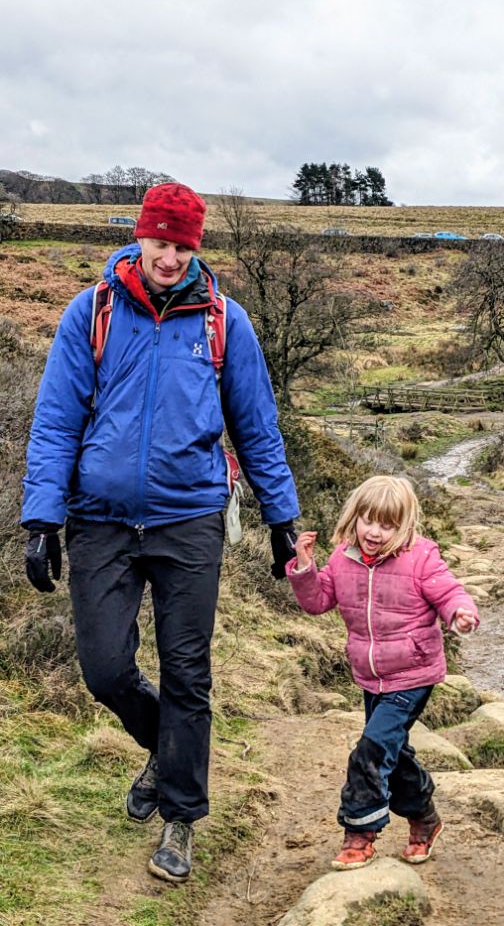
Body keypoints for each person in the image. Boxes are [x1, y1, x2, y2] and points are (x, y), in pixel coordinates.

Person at [22, 182, 299, 883]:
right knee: (105, 670)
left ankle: (180, 818)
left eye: (182, 246)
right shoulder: (92, 312)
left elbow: (257, 427)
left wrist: (283, 519)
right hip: (100, 520)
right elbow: (56, 421)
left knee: (187, 673)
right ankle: (166, 753)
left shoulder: (226, 322)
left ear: (195, 247)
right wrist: (42, 519)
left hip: (190, 520)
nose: (170, 257)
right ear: (139, 236)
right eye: (160, 242)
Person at [286, 474, 479, 871]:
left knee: (370, 751)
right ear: (354, 517)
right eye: (369, 520)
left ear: (404, 526)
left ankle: (360, 833)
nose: (375, 532)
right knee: (395, 752)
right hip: (370, 675)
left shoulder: (421, 557)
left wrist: (460, 613)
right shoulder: (342, 557)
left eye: (387, 525)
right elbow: (318, 602)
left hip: (414, 674)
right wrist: (305, 568)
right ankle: (425, 818)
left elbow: (449, 591)